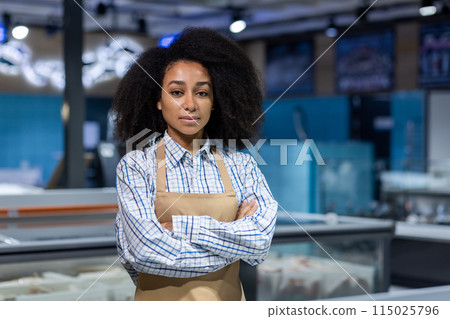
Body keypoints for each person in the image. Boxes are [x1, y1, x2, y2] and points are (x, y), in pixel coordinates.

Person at [112, 27, 278, 301]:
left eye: (202, 93)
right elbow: (146, 253)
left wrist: (181, 227)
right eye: (177, 92)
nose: (190, 104)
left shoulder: (242, 166)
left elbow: (259, 242)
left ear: (215, 102)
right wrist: (233, 246)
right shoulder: (136, 166)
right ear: (158, 100)